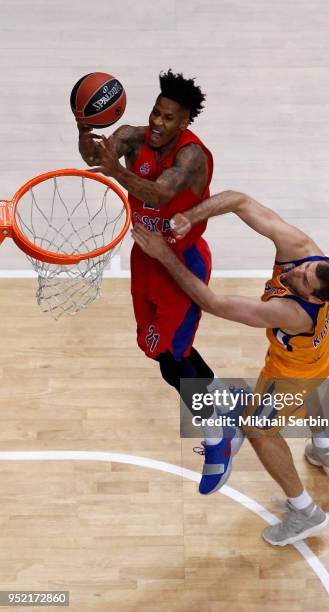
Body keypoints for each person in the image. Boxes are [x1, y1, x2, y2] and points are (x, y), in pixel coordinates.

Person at [131, 190, 329, 546]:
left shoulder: (290, 312)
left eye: (304, 281)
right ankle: (323, 447)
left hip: (294, 368)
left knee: (258, 428)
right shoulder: (299, 248)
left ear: (313, 298)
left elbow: (212, 302)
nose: (296, 273)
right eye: (305, 267)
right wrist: (192, 215)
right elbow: (240, 201)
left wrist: (165, 254)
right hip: (327, 344)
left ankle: (306, 512)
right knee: (308, 387)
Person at [77, 69, 241, 494]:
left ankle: (218, 438)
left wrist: (118, 172)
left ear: (184, 123)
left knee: (173, 355)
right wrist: (84, 127)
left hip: (181, 263)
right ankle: (225, 406)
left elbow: (160, 194)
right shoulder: (134, 136)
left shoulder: (192, 158)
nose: (157, 122)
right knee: (158, 352)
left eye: (169, 118)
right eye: (156, 112)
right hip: (146, 257)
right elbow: (94, 158)